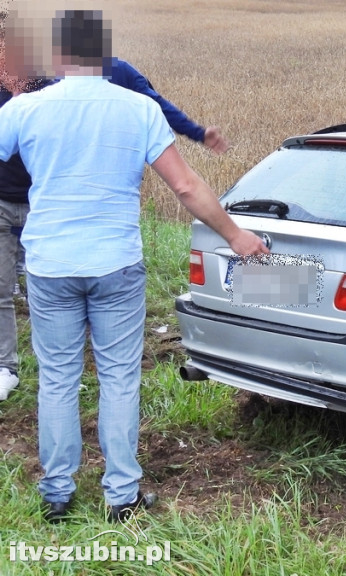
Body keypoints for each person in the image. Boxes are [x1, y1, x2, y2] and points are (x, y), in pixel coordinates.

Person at [0, 8, 269, 523]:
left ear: (56, 55)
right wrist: (235, 236)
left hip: (51, 265)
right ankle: (121, 495)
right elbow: (186, 186)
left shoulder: (25, 109)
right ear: (100, 52)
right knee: (119, 377)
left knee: (57, 378)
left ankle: (57, 493)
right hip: (116, 265)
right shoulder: (138, 108)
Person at [0, 27, 229, 402]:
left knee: (64, 298)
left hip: (60, 222)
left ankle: (76, 362)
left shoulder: (97, 76)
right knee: (14, 290)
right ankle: (13, 366)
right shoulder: (28, 89)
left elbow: (156, 104)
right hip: (31, 213)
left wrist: (196, 132)